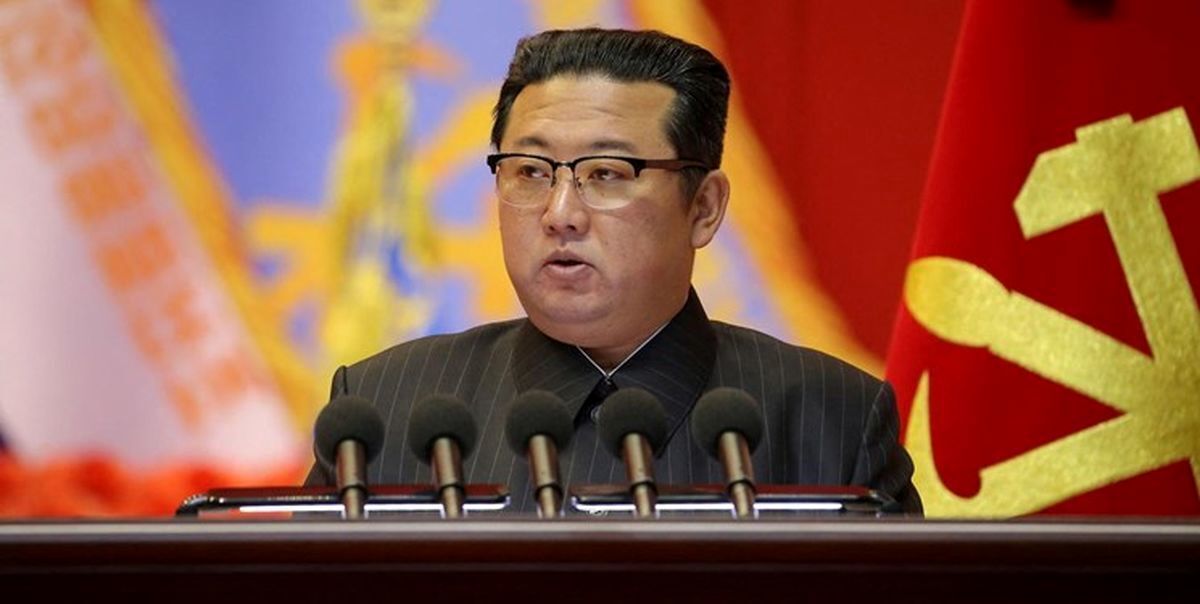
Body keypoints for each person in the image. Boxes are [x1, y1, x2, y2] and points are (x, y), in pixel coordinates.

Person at [306, 28, 921, 514]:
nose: (560, 214)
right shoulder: (385, 409)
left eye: (606, 174)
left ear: (703, 208)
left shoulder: (830, 419)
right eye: (530, 171)